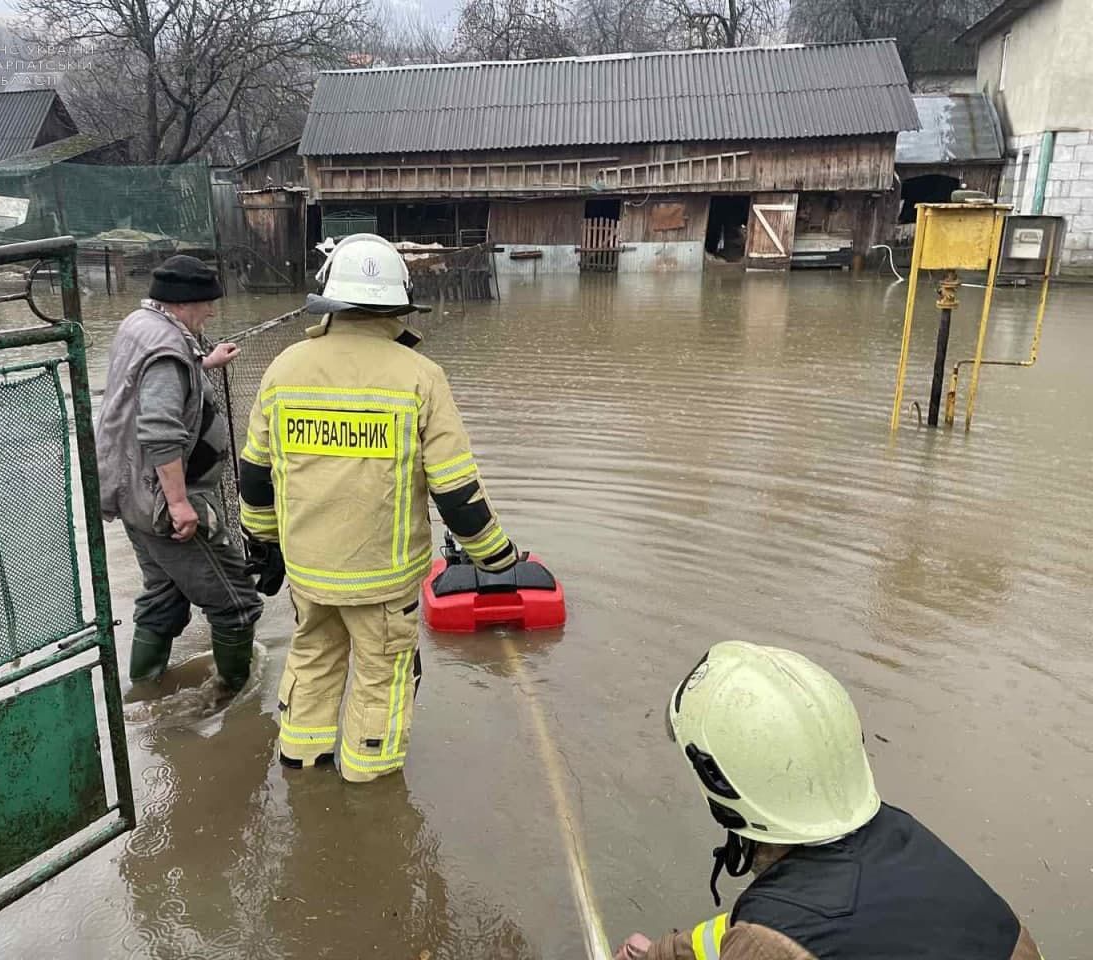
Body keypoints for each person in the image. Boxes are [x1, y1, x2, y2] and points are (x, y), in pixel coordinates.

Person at [239, 233, 519, 783]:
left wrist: (264, 546)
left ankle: (301, 764)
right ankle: (368, 793)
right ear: (400, 303)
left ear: (328, 297)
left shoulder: (284, 369)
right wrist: (497, 556)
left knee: (312, 663)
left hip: (309, 574)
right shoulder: (419, 377)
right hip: (383, 582)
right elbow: (456, 489)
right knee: (382, 678)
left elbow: (254, 475)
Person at [614, 641, 1042, 960]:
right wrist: (661, 954)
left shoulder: (771, 936)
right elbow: (774, 931)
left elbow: (770, 939)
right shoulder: (902, 840)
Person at [97, 255, 262, 691]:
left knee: (164, 598)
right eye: (207, 304)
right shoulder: (169, 349)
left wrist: (202, 364)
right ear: (186, 303)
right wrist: (179, 504)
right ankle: (233, 699)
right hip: (164, 503)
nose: (210, 312)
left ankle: (146, 693)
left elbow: (152, 386)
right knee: (237, 605)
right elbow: (158, 431)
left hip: (130, 494)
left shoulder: (139, 324)